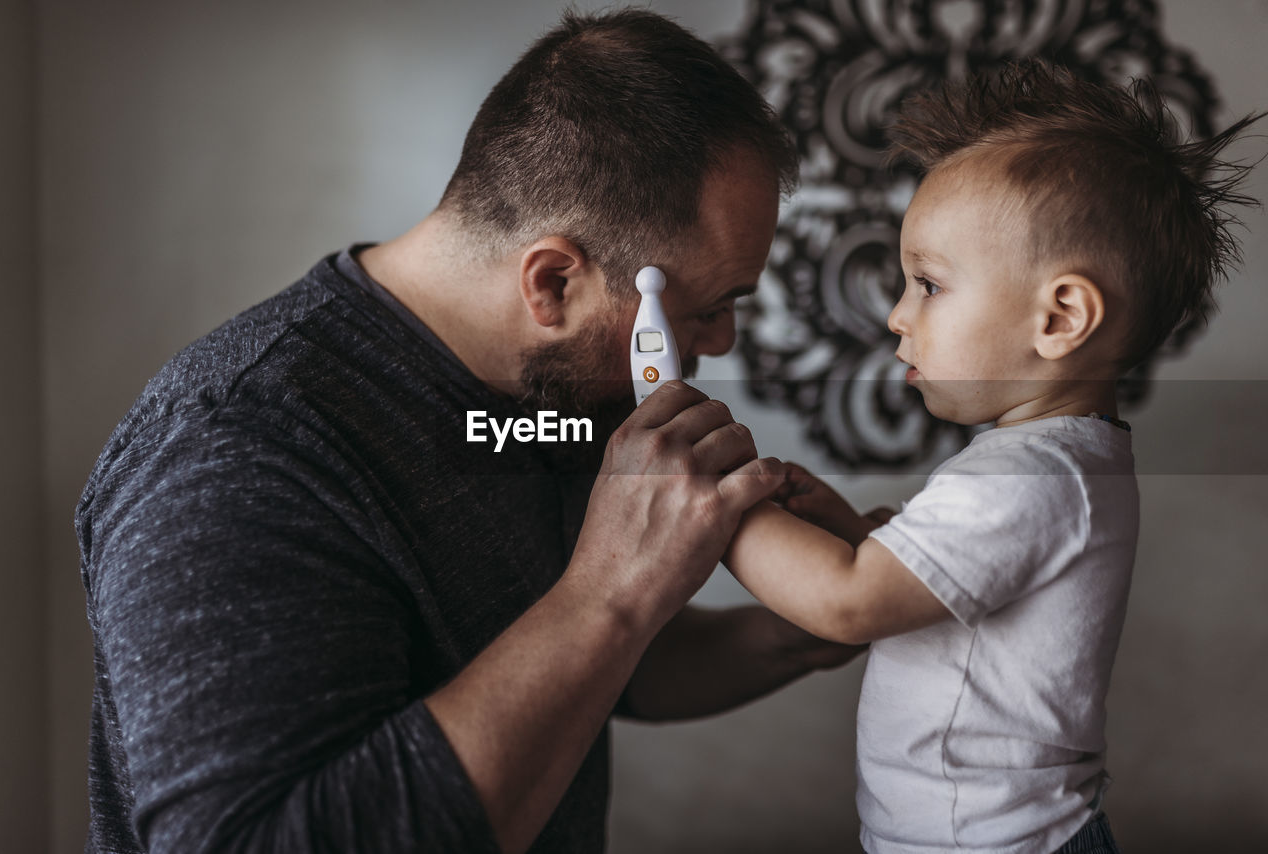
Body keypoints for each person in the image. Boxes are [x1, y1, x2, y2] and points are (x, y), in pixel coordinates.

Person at [76, 10, 868, 854]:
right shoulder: (233, 452)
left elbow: (595, 673)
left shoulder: (555, 398)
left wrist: (821, 616)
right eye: (705, 310)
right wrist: (612, 591)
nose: (720, 345)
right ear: (555, 282)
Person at [722, 60, 1261, 854]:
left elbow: (850, 605)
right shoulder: (1056, 463)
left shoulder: (1028, 476)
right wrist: (843, 532)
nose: (899, 317)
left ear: (1060, 317)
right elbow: (919, 591)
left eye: (929, 286)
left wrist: (710, 500)